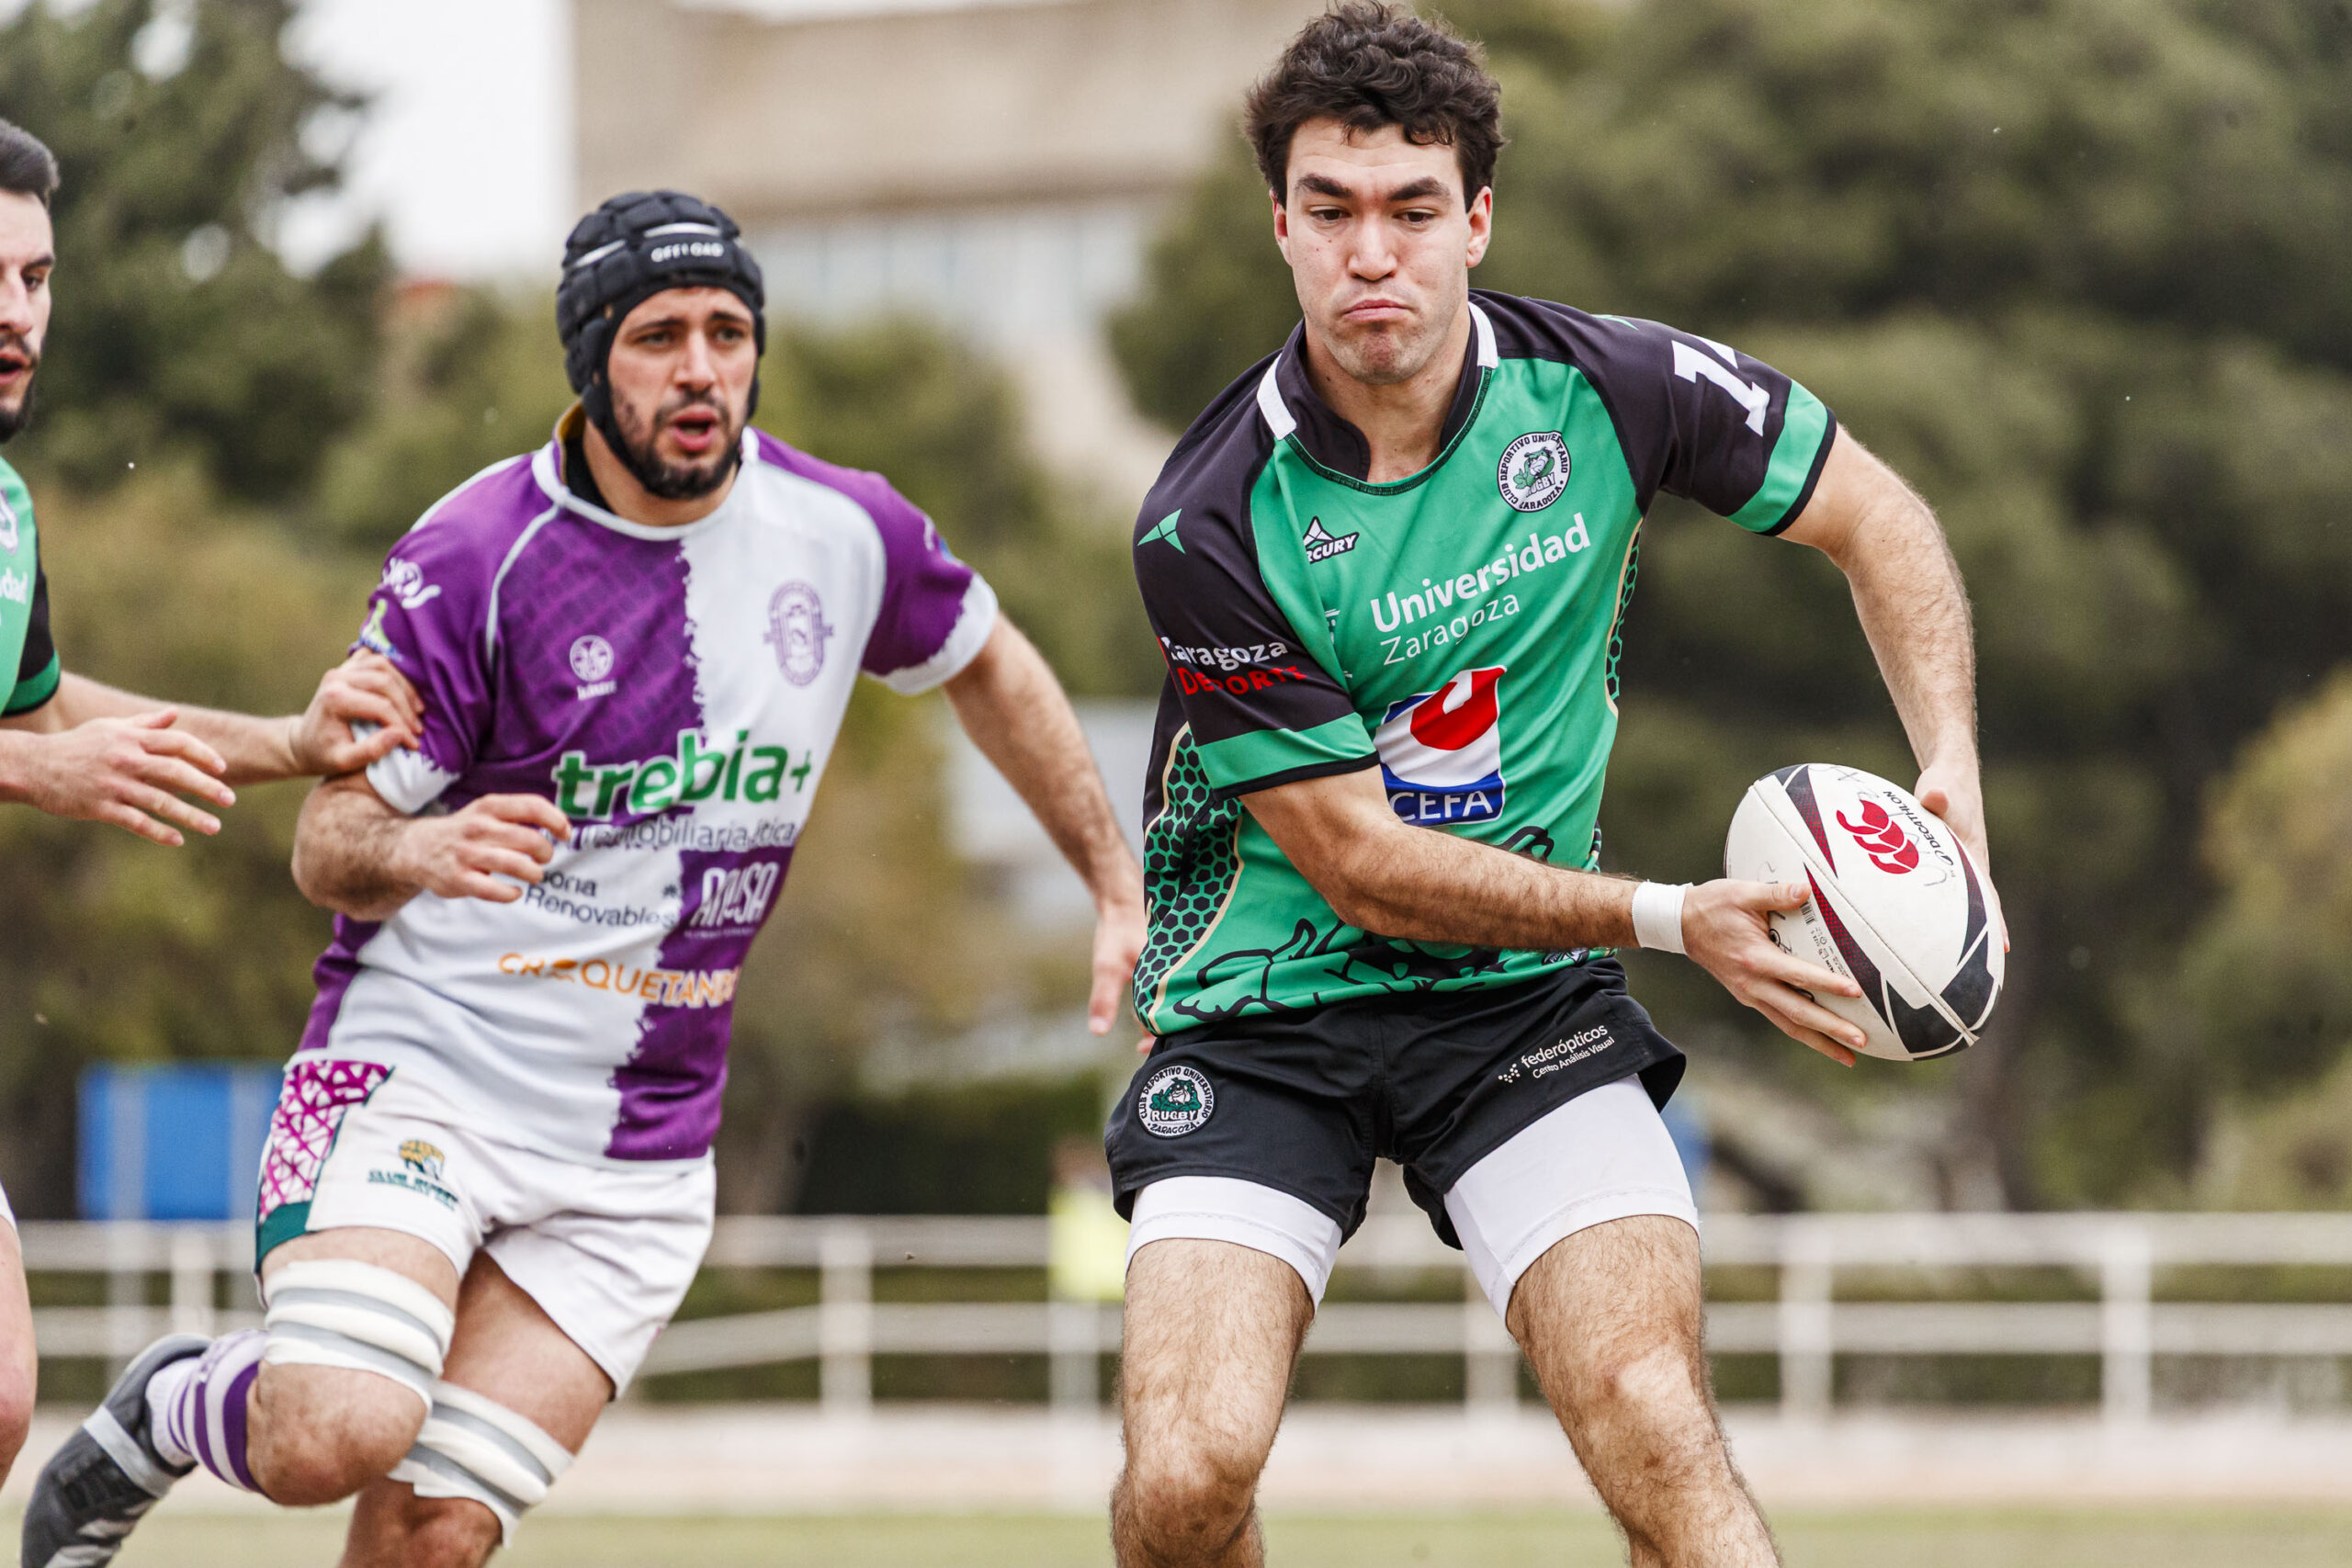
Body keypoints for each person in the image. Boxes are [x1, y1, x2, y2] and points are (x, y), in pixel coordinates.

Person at [23, 188, 1146, 1568]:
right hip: (423, 1075)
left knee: (433, 1534)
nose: (700, 370)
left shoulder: (846, 533)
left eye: (729, 332)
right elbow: (326, 843)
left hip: (641, 1155)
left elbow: (989, 658)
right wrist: (423, 845)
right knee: (337, 1432)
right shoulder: (477, 557)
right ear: (591, 358)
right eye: (659, 335)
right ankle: (171, 1408)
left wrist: (1113, 879)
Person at [1106, 8, 1991, 1567]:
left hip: (1518, 1009)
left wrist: (1953, 763)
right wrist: (1667, 914)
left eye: (1412, 209)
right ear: (1281, 227)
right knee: (1186, 1479)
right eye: (1331, 211)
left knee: (1655, 1423)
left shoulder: (1614, 389)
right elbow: (1363, 865)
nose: (1372, 253)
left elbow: (1877, 512)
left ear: (1478, 219)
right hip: (1261, 1016)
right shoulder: (1209, 519)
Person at [0, 120, 420, 1492]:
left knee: (0, 1399)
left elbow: (51, 709)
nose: (18, 315)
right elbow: (34, 749)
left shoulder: (2, 509)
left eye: (39, 278)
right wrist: (26, 771)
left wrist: (293, 742)